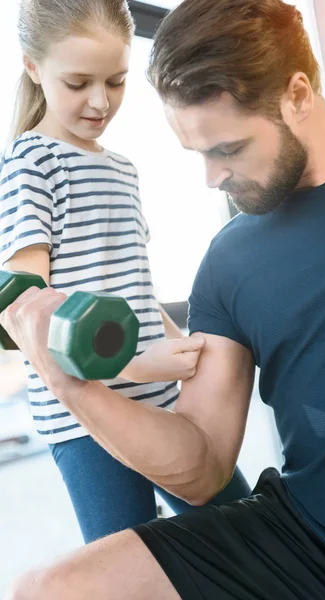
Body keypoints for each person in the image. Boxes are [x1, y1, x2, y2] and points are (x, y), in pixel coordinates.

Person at [2, 0, 325, 598]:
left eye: (227, 150)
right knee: (46, 588)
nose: (211, 180)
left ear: (297, 95)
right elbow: (202, 463)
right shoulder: (229, 259)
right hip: (315, 542)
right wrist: (71, 379)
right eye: (197, 153)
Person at [0, 0, 250, 546]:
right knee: (132, 562)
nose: (99, 101)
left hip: (160, 397)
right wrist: (137, 364)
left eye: (115, 81)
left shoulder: (120, 168)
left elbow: (129, 285)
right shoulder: (31, 163)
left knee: (245, 529)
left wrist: (182, 345)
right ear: (33, 68)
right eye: (78, 82)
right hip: (86, 424)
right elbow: (28, 315)